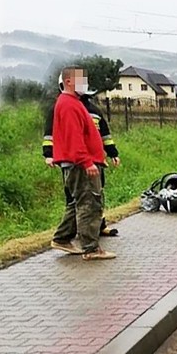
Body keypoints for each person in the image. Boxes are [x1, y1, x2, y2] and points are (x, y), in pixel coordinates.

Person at [50, 66, 115, 260]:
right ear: (68, 81)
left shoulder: (73, 102)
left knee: (78, 202)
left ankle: (62, 238)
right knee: (89, 204)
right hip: (80, 164)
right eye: (80, 79)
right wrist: (87, 162)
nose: (84, 83)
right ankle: (91, 248)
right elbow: (74, 138)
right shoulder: (68, 105)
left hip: (80, 162)